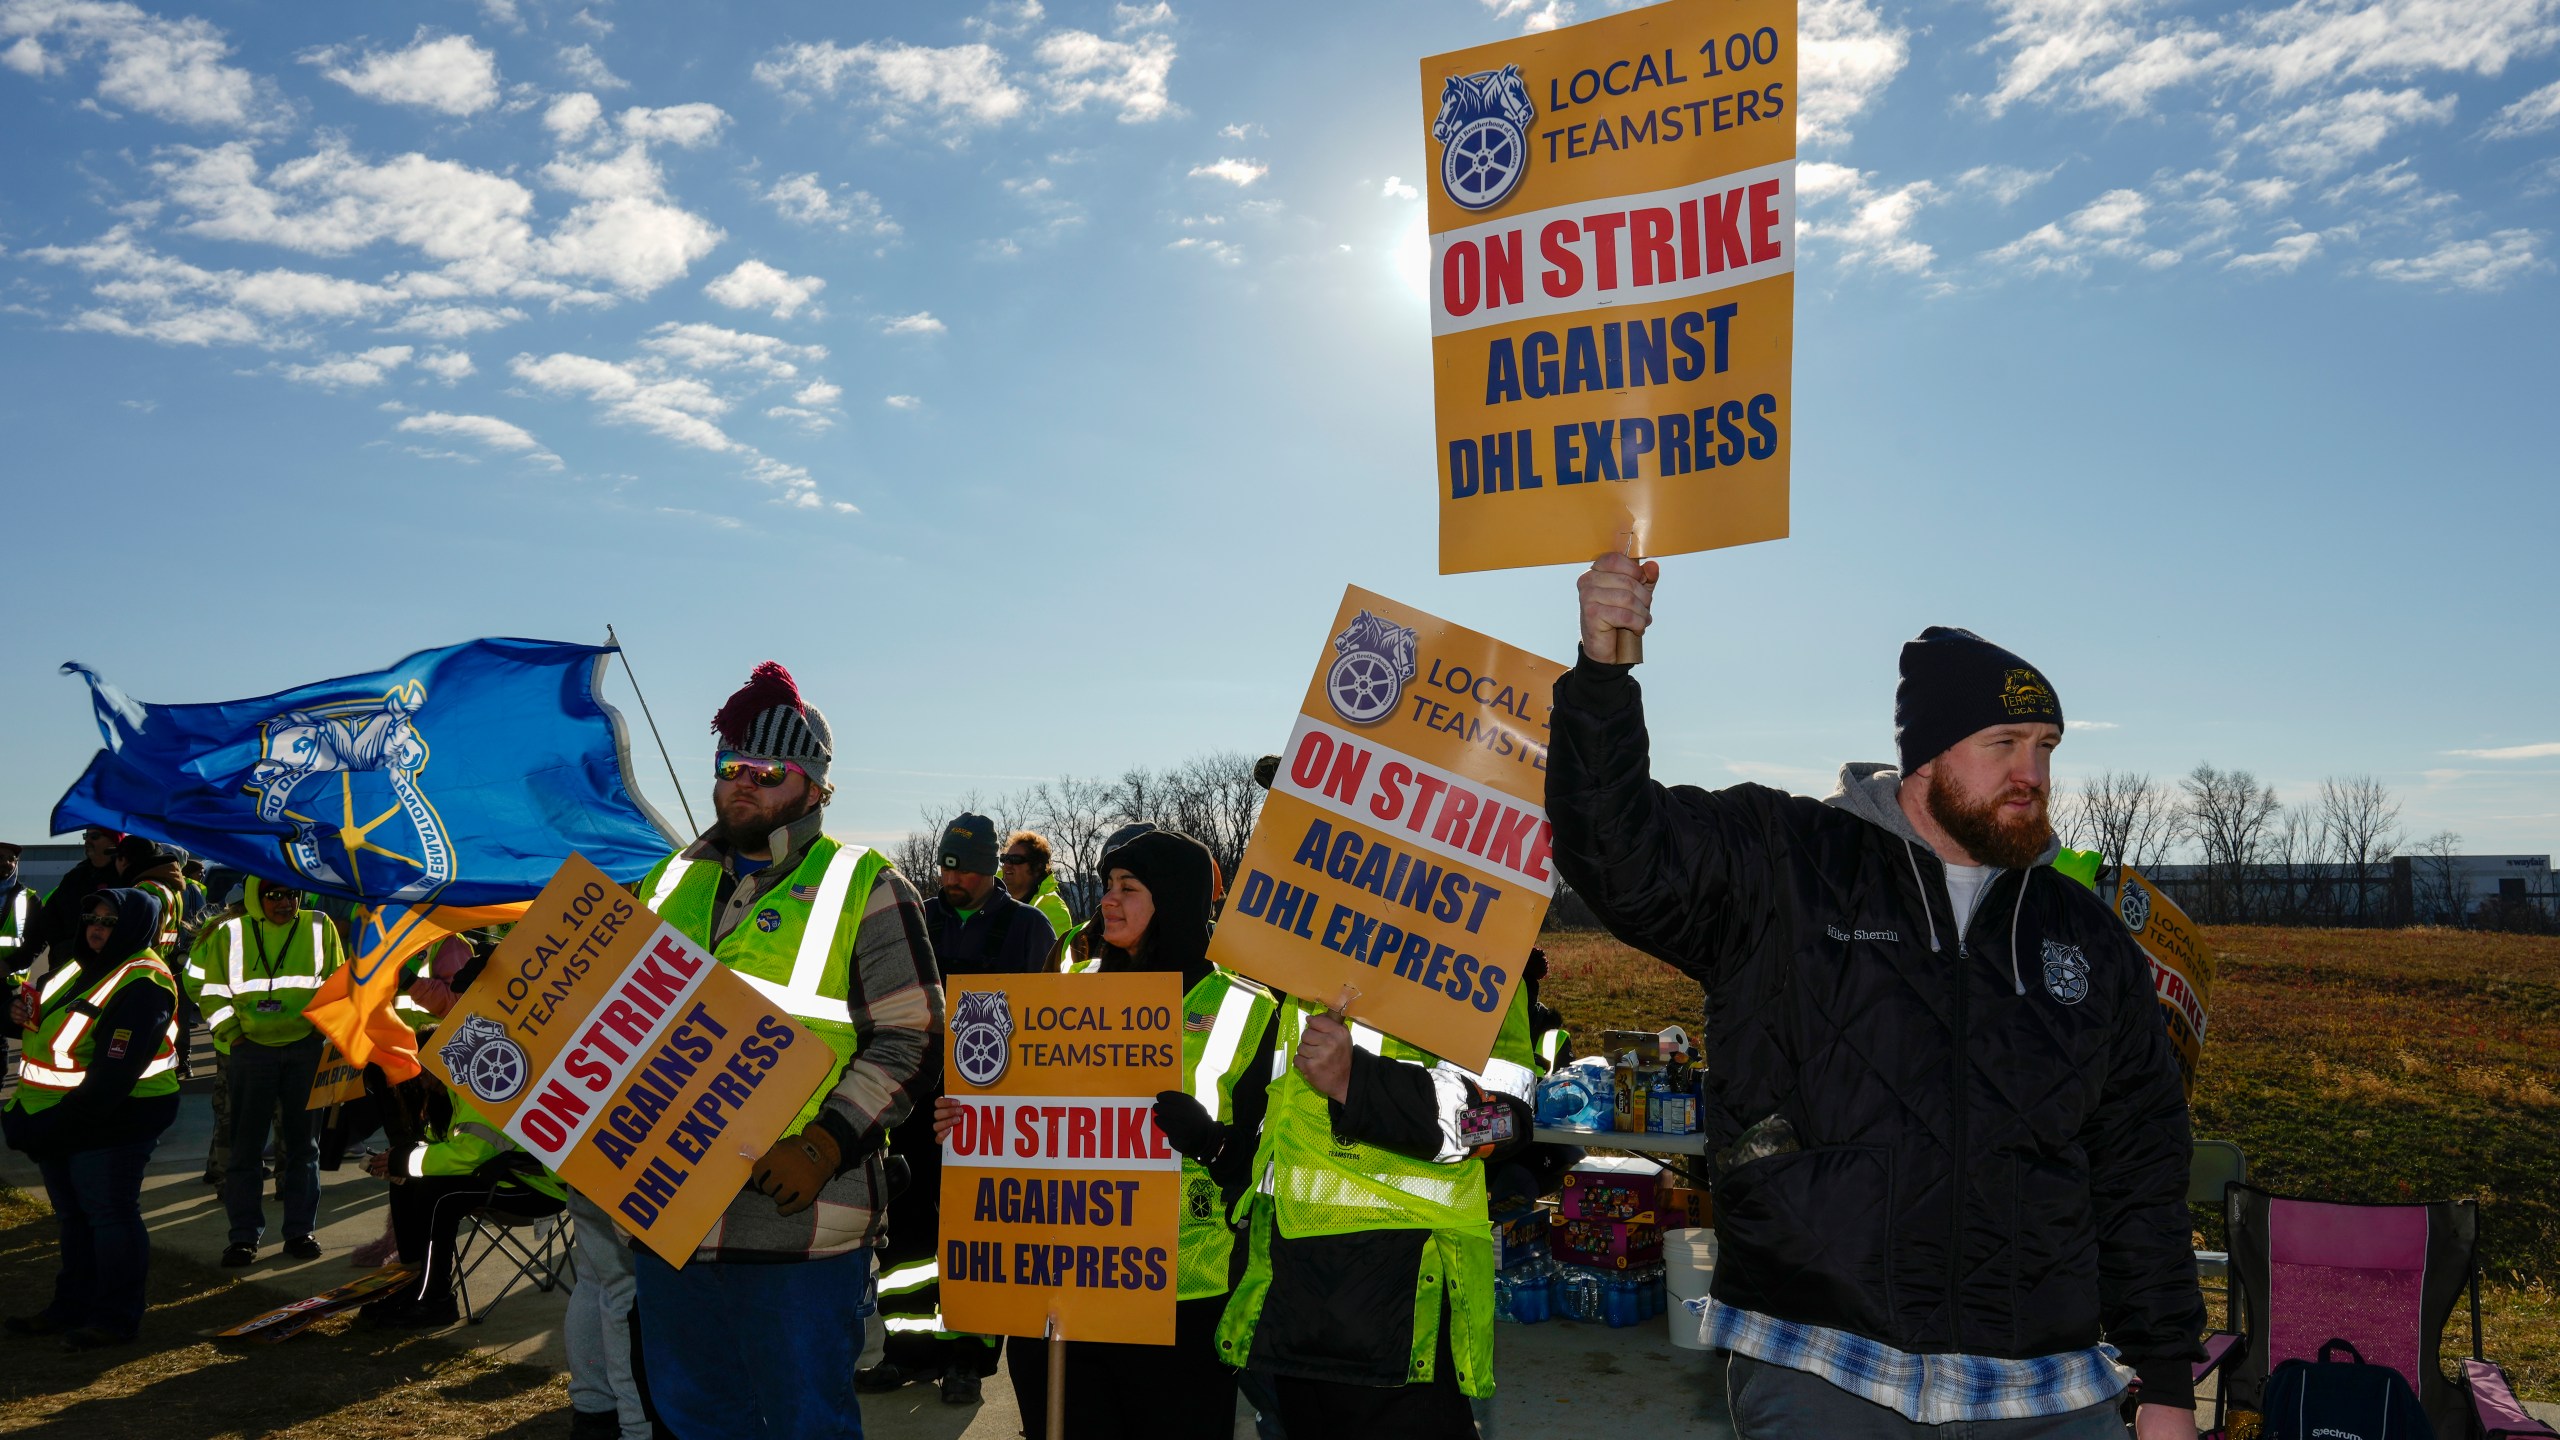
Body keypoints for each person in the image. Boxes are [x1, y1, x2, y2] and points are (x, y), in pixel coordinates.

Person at [1545, 553, 2205, 1440]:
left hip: (2043, 1386)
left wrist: (2167, 1380)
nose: (2033, 774)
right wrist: (1603, 674)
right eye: (2004, 745)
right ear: (1928, 755)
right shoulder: (1788, 862)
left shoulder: (2083, 935)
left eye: (2046, 747)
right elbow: (1617, 850)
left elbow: (2139, 1165)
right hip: (1826, 1362)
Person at [628, 660, 942, 1440]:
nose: (743, 783)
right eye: (730, 766)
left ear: (814, 789)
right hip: (670, 1221)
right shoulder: (665, 884)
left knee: (806, 1425)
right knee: (694, 1420)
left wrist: (826, 1142)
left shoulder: (865, 885)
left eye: (768, 773)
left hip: (800, 1229)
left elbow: (910, 1036)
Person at [931, 828, 1277, 1440]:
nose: (1108, 900)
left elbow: (1274, 1156)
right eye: (1108, 885)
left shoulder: (1245, 1007)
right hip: (1061, 1279)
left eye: (1128, 888)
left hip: (1178, 1295)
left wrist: (1212, 1142)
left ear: (1173, 899)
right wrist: (967, 1120)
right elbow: (1020, 1102)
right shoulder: (1068, 985)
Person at [1211, 952, 1538, 1436]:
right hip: (1292, 1295)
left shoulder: (1480, 950)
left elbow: (1503, 1122)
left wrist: (1356, 1082)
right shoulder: (1308, 944)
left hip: (1400, 1303)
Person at [865, 812, 1054, 1404]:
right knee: (908, 1229)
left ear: (991, 869)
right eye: (947, 867)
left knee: (978, 1230)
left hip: (992, 1108)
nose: (953, 879)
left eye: (967, 870)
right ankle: (905, 1350)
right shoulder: (916, 920)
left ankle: (969, 1356)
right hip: (918, 1099)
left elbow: (1050, 1020)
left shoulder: (1028, 928)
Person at [0, 887, 182, 1348]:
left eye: (109, 921)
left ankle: (115, 1319)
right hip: (59, 1117)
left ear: (136, 926)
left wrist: (50, 1128)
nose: (98, 928)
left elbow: (112, 1078)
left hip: (116, 1118)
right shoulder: (78, 966)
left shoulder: (143, 984)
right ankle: (71, 1308)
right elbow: (44, 1024)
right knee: (75, 1218)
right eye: (93, 919)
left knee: (109, 1216)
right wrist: (15, 1012)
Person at [359, 947, 569, 1329]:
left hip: (537, 1182)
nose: (418, 1084)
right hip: (504, 1173)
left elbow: (473, 1151)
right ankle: (414, 1283)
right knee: (410, 1183)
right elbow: (452, 1146)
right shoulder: (462, 1071)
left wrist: (407, 1158)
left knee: (438, 1194)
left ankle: (434, 1298)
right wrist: (400, 1159)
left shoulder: (484, 1068)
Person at [185, 875, 346, 1265]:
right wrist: (233, 1035)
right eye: (274, 895)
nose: (285, 902)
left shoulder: (319, 926)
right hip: (250, 1052)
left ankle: (300, 1233)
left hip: (304, 1049)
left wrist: (321, 1034)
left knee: (304, 1149)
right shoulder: (229, 932)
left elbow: (338, 984)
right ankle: (243, 1238)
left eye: (292, 894)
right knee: (245, 1149)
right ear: (257, 897)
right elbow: (208, 991)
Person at [6, 825, 122, 978]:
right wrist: (13, 963)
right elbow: (46, 922)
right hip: (66, 968)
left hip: (112, 970)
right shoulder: (75, 877)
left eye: (94, 837)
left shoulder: (125, 879)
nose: (87, 841)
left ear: (113, 842)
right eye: (85, 836)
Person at [1000, 830, 1075, 939]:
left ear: (1037, 868)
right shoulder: (989, 896)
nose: (1007, 865)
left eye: (1015, 859)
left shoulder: (1055, 910)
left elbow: (1054, 949)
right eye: (1004, 858)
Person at [0, 844, 35, 976]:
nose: (6, 862)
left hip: (11, 981)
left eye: (11, 859)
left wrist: (10, 965)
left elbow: (37, 940)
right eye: (0, 857)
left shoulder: (30, 899)